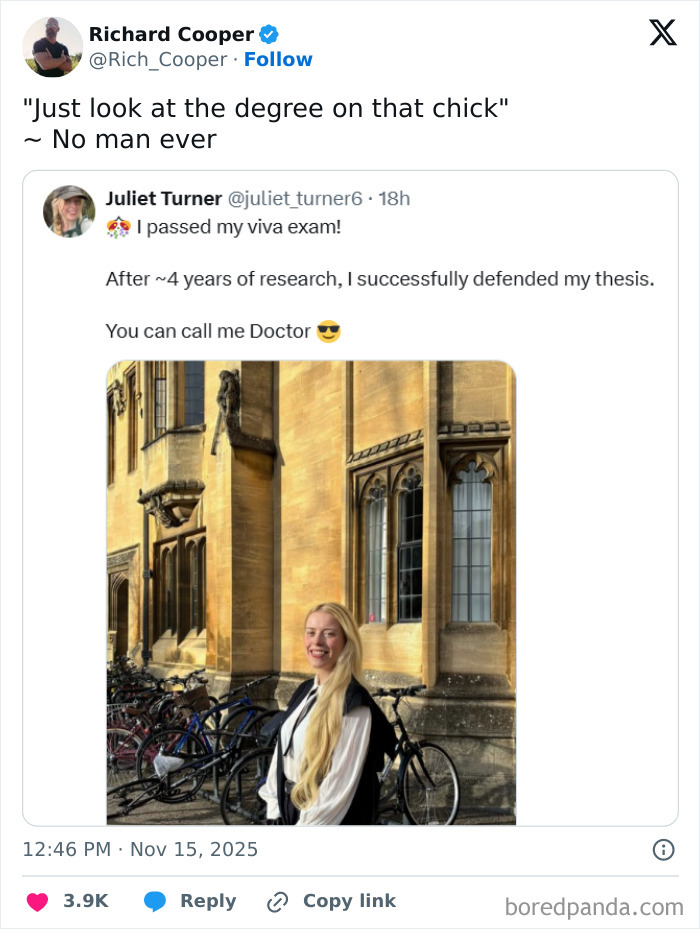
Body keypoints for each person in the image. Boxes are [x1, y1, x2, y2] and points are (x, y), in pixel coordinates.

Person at [259, 602, 396, 825]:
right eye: (311, 632)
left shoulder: (353, 704)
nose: (317, 641)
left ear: (345, 642)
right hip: (287, 813)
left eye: (329, 634)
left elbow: (337, 789)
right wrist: (274, 813)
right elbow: (280, 758)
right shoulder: (303, 691)